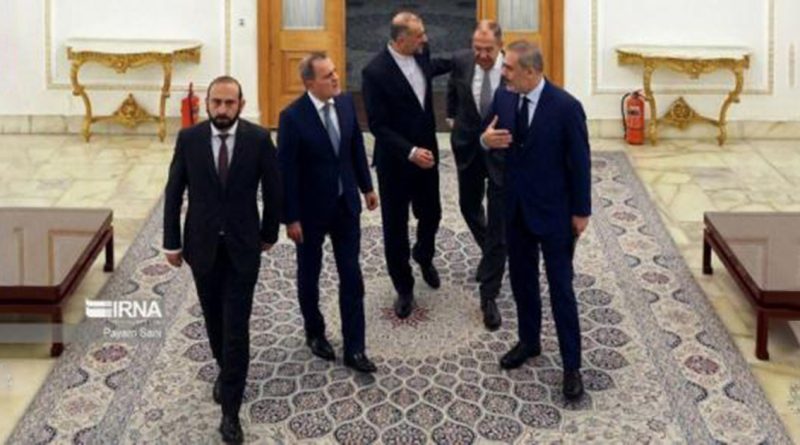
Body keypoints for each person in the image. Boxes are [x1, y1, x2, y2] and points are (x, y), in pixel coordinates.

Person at [163, 76, 281, 443]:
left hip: (243, 248)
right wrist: (171, 243)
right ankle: (225, 368)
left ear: (241, 105)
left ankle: (230, 411)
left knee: (236, 328)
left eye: (230, 103)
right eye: (217, 102)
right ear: (208, 103)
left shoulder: (259, 139)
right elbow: (174, 191)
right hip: (202, 248)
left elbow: (273, 189)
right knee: (214, 320)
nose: (222, 109)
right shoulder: (189, 139)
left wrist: (269, 233)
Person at [481, 41, 591, 401]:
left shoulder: (566, 107)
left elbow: (580, 162)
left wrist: (581, 211)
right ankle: (529, 341)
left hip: (555, 214)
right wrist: (485, 140)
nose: (503, 73)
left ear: (530, 71)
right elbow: (485, 134)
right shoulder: (504, 98)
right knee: (522, 280)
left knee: (561, 289)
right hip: (516, 210)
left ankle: (572, 366)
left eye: (509, 68)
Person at [278, 53, 379, 373]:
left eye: (335, 72)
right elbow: (286, 172)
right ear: (309, 83)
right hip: (309, 213)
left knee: (351, 275)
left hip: (345, 205)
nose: (336, 78)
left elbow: (355, 147)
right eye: (327, 76)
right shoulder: (292, 117)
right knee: (310, 274)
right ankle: (315, 332)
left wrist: (367, 187)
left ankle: (355, 348)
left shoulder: (346, 103)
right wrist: (290, 217)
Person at [361, 11, 452, 319]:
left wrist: (467, 59)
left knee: (432, 213)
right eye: (419, 35)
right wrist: (410, 151)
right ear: (401, 40)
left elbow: (431, 69)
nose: (426, 38)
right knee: (395, 227)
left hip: (428, 157)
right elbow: (378, 125)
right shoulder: (374, 72)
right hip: (395, 162)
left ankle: (424, 255)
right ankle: (404, 286)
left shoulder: (421, 52)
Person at [446, 20, 506, 331]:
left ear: (500, 46)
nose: (481, 55)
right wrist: (452, 117)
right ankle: (494, 253)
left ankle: (489, 296)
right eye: (477, 48)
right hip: (468, 149)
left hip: (502, 158)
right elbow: (453, 90)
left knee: (498, 222)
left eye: (488, 50)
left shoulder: (514, 69)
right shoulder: (461, 60)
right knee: (468, 206)